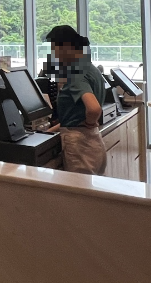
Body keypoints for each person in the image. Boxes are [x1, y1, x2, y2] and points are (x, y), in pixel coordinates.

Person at [44, 25, 107, 175]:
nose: (54, 56)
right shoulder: (90, 69)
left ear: (65, 47)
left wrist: (90, 122)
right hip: (93, 142)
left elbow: (94, 109)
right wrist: (47, 132)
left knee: (79, 189)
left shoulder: (76, 74)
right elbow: (74, 118)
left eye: (54, 50)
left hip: (80, 146)